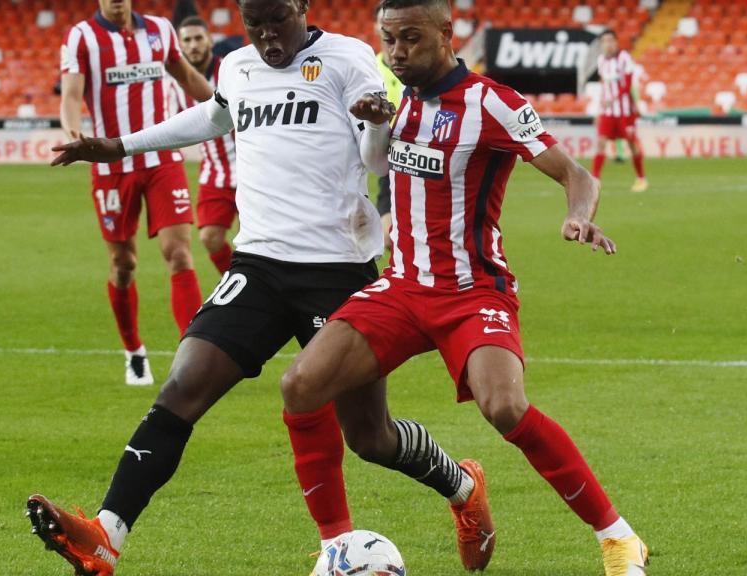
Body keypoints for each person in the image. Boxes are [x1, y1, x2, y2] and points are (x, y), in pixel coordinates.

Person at [27, 1, 482, 574]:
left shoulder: (348, 58)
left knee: (370, 437)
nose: (267, 36)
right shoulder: (238, 66)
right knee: (182, 386)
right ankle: (105, 536)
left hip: (337, 269)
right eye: (255, 25)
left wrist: (375, 121)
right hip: (260, 264)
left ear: (303, 9)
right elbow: (214, 118)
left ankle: (462, 488)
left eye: (278, 21)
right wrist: (120, 146)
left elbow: (377, 160)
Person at [279, 1, 649, 575]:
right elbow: (379, 168)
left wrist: (579, 214)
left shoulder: (491, 102)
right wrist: (377, 121)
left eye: (410, 38)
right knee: (301, 384)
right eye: (389, 40)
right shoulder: (399, 103)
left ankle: (619, 538)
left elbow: (578, 174)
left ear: (446, 35)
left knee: (504, 406)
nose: (397, 52)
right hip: (402, 286)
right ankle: (337, 548)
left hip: (473, 291)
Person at [59, 0, 213, 386]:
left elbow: (188, 77)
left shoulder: (160, 30)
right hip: (112, 166)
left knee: (178, 253)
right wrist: (74, 137)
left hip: (162, 159)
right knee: (124, 265)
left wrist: (229, 108)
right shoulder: (82, 37)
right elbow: (72, 96)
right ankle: (134, 350)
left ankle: (191, 361)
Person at [174, 16, 238, 274]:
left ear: (210, 40)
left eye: (198, 38)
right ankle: (234, 282)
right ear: (179, 46)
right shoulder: (176, 85)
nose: (193, 45)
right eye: (187, 40)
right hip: (215, 174)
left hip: (252, 169)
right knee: (209, 238)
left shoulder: (231, 71)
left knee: (258, 244)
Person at [593, 30, 647, 193]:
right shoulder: (601, 60)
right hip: (608, 111)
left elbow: (627, 84)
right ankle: (594, 180)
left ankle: (641, 178)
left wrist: (614, 98)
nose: (608, 44)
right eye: (604, 41)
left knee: (631, 143)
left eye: (610, 40)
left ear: (616, 42)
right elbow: (604, 83)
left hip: (624, 110)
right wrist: (601, 105)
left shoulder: (624, 58)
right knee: (601, 142)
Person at [373, 4, 406, 251]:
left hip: (415, 155)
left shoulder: (418, 69)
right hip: (382, 159)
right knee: (389, 236)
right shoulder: (367, 70)